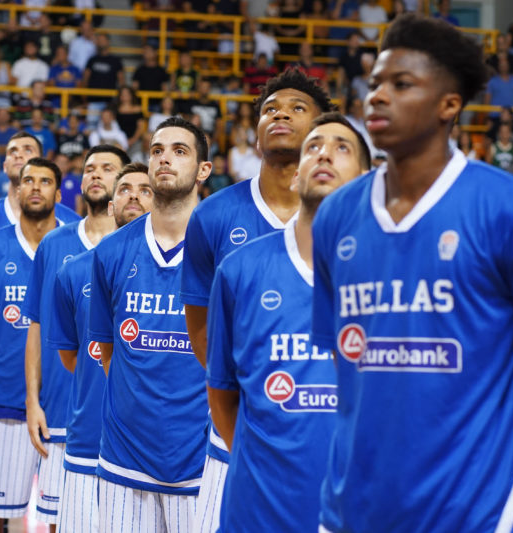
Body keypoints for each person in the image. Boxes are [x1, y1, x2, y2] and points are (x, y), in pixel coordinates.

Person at [311, 14, 513, 532]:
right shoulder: (335, 217)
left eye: (401, 84)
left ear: (449, 105)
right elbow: (349, 372)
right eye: (374, 83)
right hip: (352, 515)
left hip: (478, 518)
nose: (377, 96)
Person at [181, 68, 334, 533]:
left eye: (296, 108)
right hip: (240, 430)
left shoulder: (350, 218)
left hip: (329, 435)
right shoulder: (212, 215)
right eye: (270, 109)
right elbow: (201, 331)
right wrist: (245, 409)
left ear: (321, 130)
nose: (280, 115)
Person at [209, 112, 369, 533]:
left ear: (367, 180)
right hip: (258, 512)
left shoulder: (398, 274)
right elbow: (221, 395)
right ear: (296, 177)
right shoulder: (238, 270)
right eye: (313, 146)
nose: (324, 154)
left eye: (341, 147)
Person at [0, 134, 79, 532]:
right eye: (28, 181)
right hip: (4, 397)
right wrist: (1, 357)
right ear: (16, 188)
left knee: (62, 517)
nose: (35, 188)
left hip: (64, 400)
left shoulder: (79, 240)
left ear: (59, 193)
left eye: (45, 181)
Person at [88, 117, 212, 532]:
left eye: (180, 151)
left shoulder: (225, 249)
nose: (164, 159)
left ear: (203, 170)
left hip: (201, 457)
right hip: (124, 454)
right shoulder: (111, 251)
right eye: (157, 150)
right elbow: (107, 351)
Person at [22, 144, 129, 527]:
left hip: (127, 417)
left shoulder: (138, 247)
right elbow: (36, 326)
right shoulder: (54, 244)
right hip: (62, 411)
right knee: (61, 522)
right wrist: (32, 401)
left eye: (107, 168)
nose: (95, 174)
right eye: (89, 168)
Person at [48, 162, 154, 533]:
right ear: (111, 205)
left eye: (145, 190)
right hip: (88, 435)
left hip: (153, 444)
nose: (134, 196)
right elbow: (70, 357)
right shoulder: (72, 271)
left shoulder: (183, 270)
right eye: (125, 189)